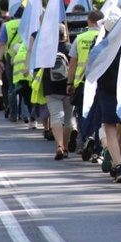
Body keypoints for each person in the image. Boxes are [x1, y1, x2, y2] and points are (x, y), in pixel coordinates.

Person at [94, 12, 121, 182]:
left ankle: (119, 165)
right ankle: (118, 164)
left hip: (106, 91)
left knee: (110, 129)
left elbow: (91, 68)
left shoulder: (101, 46)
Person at [66, 9, 104, 154]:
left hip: (82, 81)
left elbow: (72, 64)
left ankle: (84, 139)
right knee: (99, 113)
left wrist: (69, 83)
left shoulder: (80, 38)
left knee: (82, 112)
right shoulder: (106, 37)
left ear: (89, 21)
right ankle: (98, 144)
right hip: (100, 81)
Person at [43, 23, 73, 160]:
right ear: (65, 34)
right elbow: (74, 66)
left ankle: (59, 145)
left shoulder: (47, 49)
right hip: (68, 88)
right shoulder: (70, 47)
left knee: (56, 117)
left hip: (51, 88)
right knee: (68, 119)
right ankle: (66, 148)